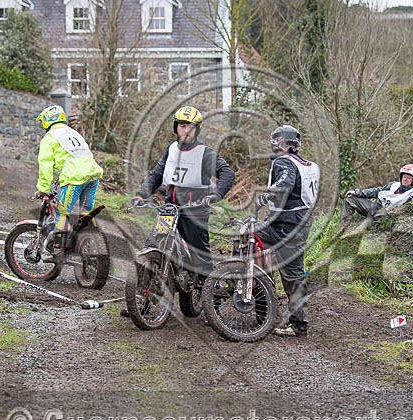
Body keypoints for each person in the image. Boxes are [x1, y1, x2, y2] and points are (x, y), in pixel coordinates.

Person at [131, 105, 235, 283]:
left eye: (190, 127)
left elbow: (227, 173)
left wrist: (216, 194)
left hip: (194, 210)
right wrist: (141, 195)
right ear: (175, 127)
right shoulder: (171, 149)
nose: (186, 130)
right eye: (182, 126)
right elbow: (157, 175)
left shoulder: (204, 153)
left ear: (197, 129)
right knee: (152, 245)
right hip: (170, 208)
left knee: (199, 255)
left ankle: (211, 297)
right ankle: (140, 298)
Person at [254, 125, 320, 337]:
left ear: (281, 143)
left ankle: (298, 324)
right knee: (251, 239)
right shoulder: (309, 164)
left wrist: (271, 193)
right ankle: (264, 297)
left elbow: (286, 181)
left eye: (275, 141)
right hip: (294, 220)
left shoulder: (284, 161)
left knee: (292, 274)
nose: (273, 145)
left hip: (288, 225)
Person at [34, 104, 103, 260]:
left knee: (62, 213)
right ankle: (91, 246)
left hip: (74, 179)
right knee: (86, 213)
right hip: (92, 175)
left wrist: (43, 189)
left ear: (47, 121)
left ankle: (58, 250)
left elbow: (45, 164)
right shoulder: (74, 133)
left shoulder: (50, 137)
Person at [339, 163, 413, 229]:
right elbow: (376, 191)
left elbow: (407, 212)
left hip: (381, 217)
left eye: (408, 178)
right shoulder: (393, 185)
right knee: (350, 198)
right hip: (372, 207)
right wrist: (357, 192)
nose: (405, 180)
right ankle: (343, 228)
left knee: (358, 231)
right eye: (404, 177)